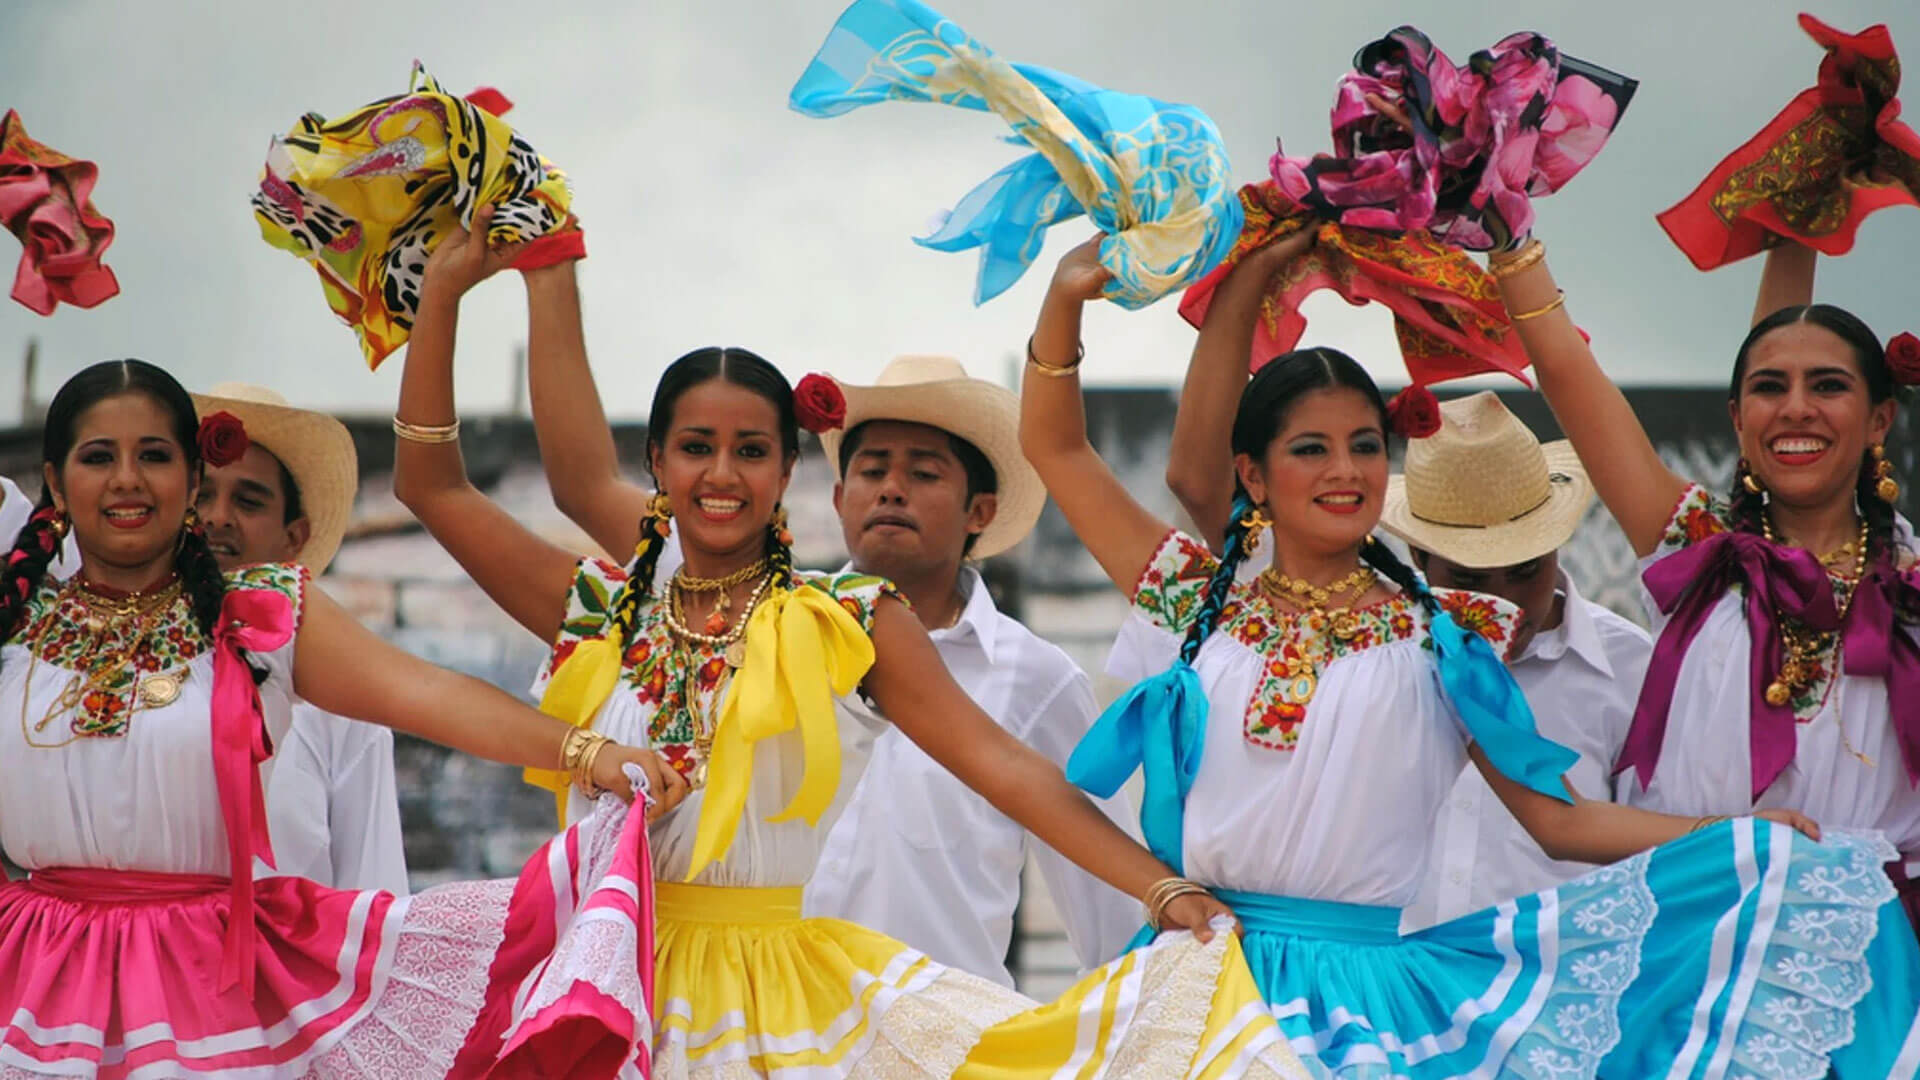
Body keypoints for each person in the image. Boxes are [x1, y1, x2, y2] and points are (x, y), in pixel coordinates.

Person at [389, 211, 1295, 1079]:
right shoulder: (606, 611)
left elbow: (1001, 763)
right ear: (658, 462)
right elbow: (434, 485)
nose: (721, 474)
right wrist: (452, 295)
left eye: (751, 450)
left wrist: (1160, 890)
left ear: (787, 473)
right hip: (610, 981)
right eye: (696, 447)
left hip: (781, 1003)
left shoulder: (841, 619)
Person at [1003, 229, 1920, 1078]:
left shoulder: (1448, 640)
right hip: (1196, 974)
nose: (1345, 470)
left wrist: (1729, 839)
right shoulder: (1198, 600)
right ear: (1255, 475)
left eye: (1366, 447)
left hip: (1361, 995)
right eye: (1312, 449)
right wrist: (1072, 300)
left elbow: (1560, 823)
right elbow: (1056, 446)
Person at [0, 359, 683, 1078]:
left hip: (207, 988)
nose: (128, 480)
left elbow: (426, 693)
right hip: (27, 976)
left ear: (191, 482)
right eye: (99, 456)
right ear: (54, 480)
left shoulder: (259, 612)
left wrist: (586, 751)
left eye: (156, 456)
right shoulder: (16, 615)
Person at [1491, 219, 1920, 1065]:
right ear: (1737, 415)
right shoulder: (1697, 553)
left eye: (1827, 386)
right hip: (1683, 936)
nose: (1795, 408)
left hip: (1859, 974)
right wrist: (1510, 242)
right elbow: (1574, 382)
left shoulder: (1911, 596)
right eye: (1769, 388)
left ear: (1878, 420)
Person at [191, 381, 409, 894]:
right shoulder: (107, 658)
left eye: (248, 500)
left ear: (295, 538)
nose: (217, 516)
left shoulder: (344, 705)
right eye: (200, 494)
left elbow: (373, 902)